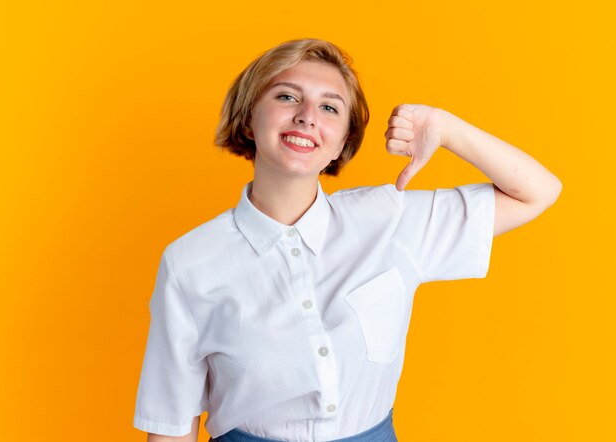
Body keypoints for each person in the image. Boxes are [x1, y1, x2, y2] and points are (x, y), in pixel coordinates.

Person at [133, 38, 562, 442]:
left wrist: (445, 128)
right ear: (248, 117)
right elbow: (171, 425)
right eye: (286, 96)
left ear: (342, 144)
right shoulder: (190, 262)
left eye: (330, 107)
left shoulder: (390, 219)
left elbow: (538, 192)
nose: (307, 116)